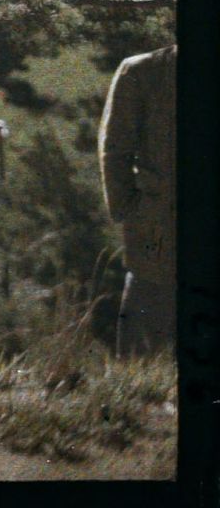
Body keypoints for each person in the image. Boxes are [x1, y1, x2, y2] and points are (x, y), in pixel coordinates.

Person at [98, 42, 175, 356]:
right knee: (142, 343)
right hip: (158, 227)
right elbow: (114, 151)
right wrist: (132, 211)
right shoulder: (142, 71)